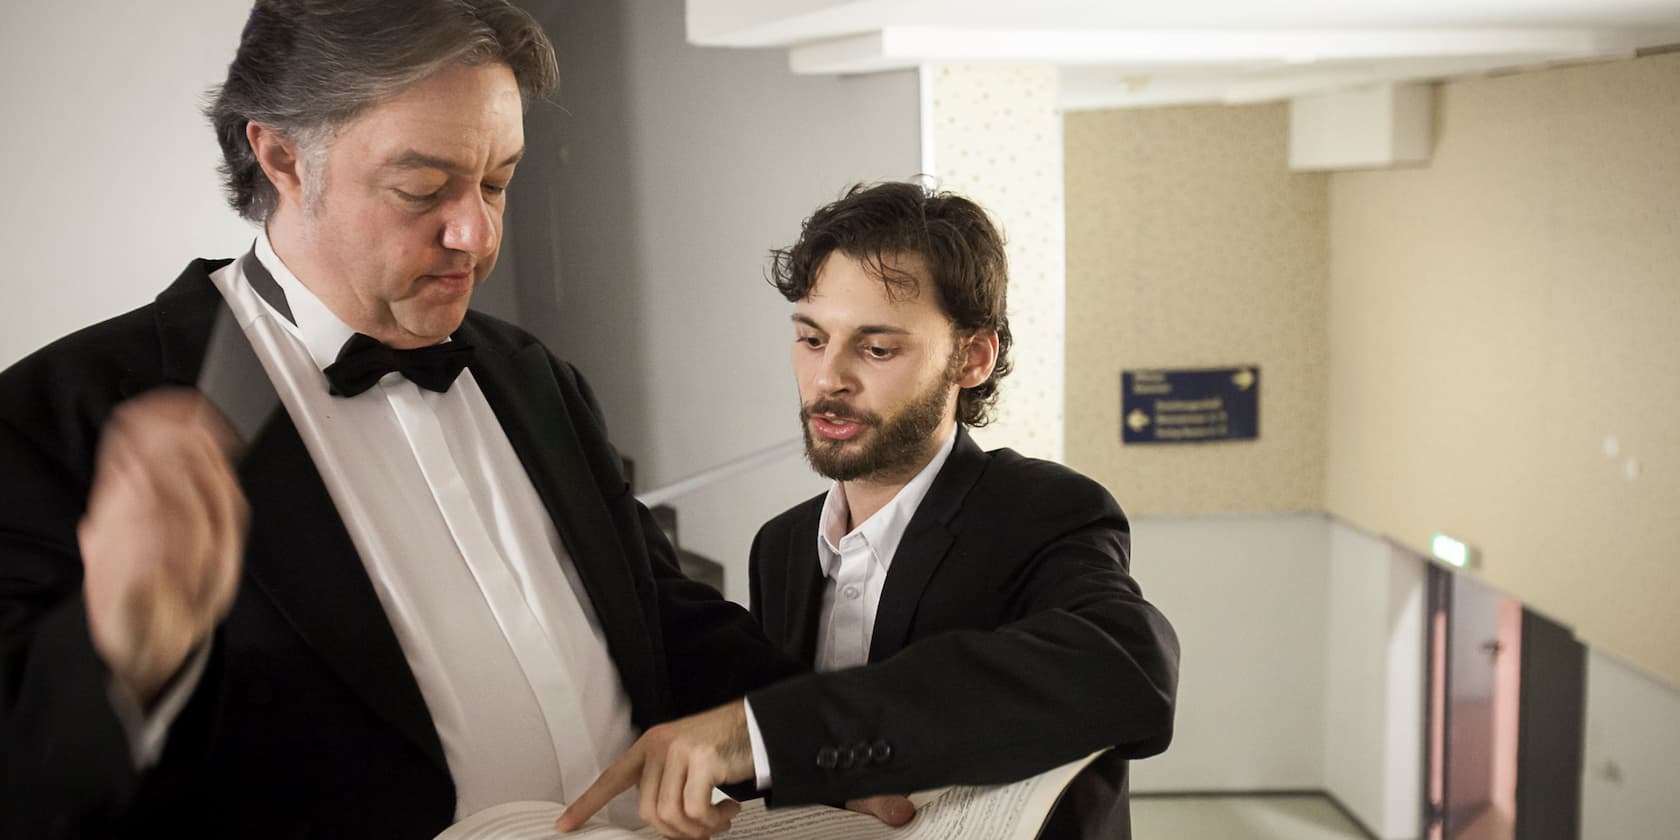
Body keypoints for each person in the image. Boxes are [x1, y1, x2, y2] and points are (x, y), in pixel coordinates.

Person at [0, 3, 805, 837]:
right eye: (422, 187)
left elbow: (668, 622)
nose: (476, 232)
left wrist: (834, 740)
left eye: (498, 181)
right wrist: (118, 655)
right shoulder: (51, 418)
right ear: (279, 155)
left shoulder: (533, 376)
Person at [754, 182, 1180, 834]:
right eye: (812, 339)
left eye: (877, 348)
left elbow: (1132, 672)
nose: (828, 378)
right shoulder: (779, 547)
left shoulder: (1047, 512)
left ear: (972, 358)